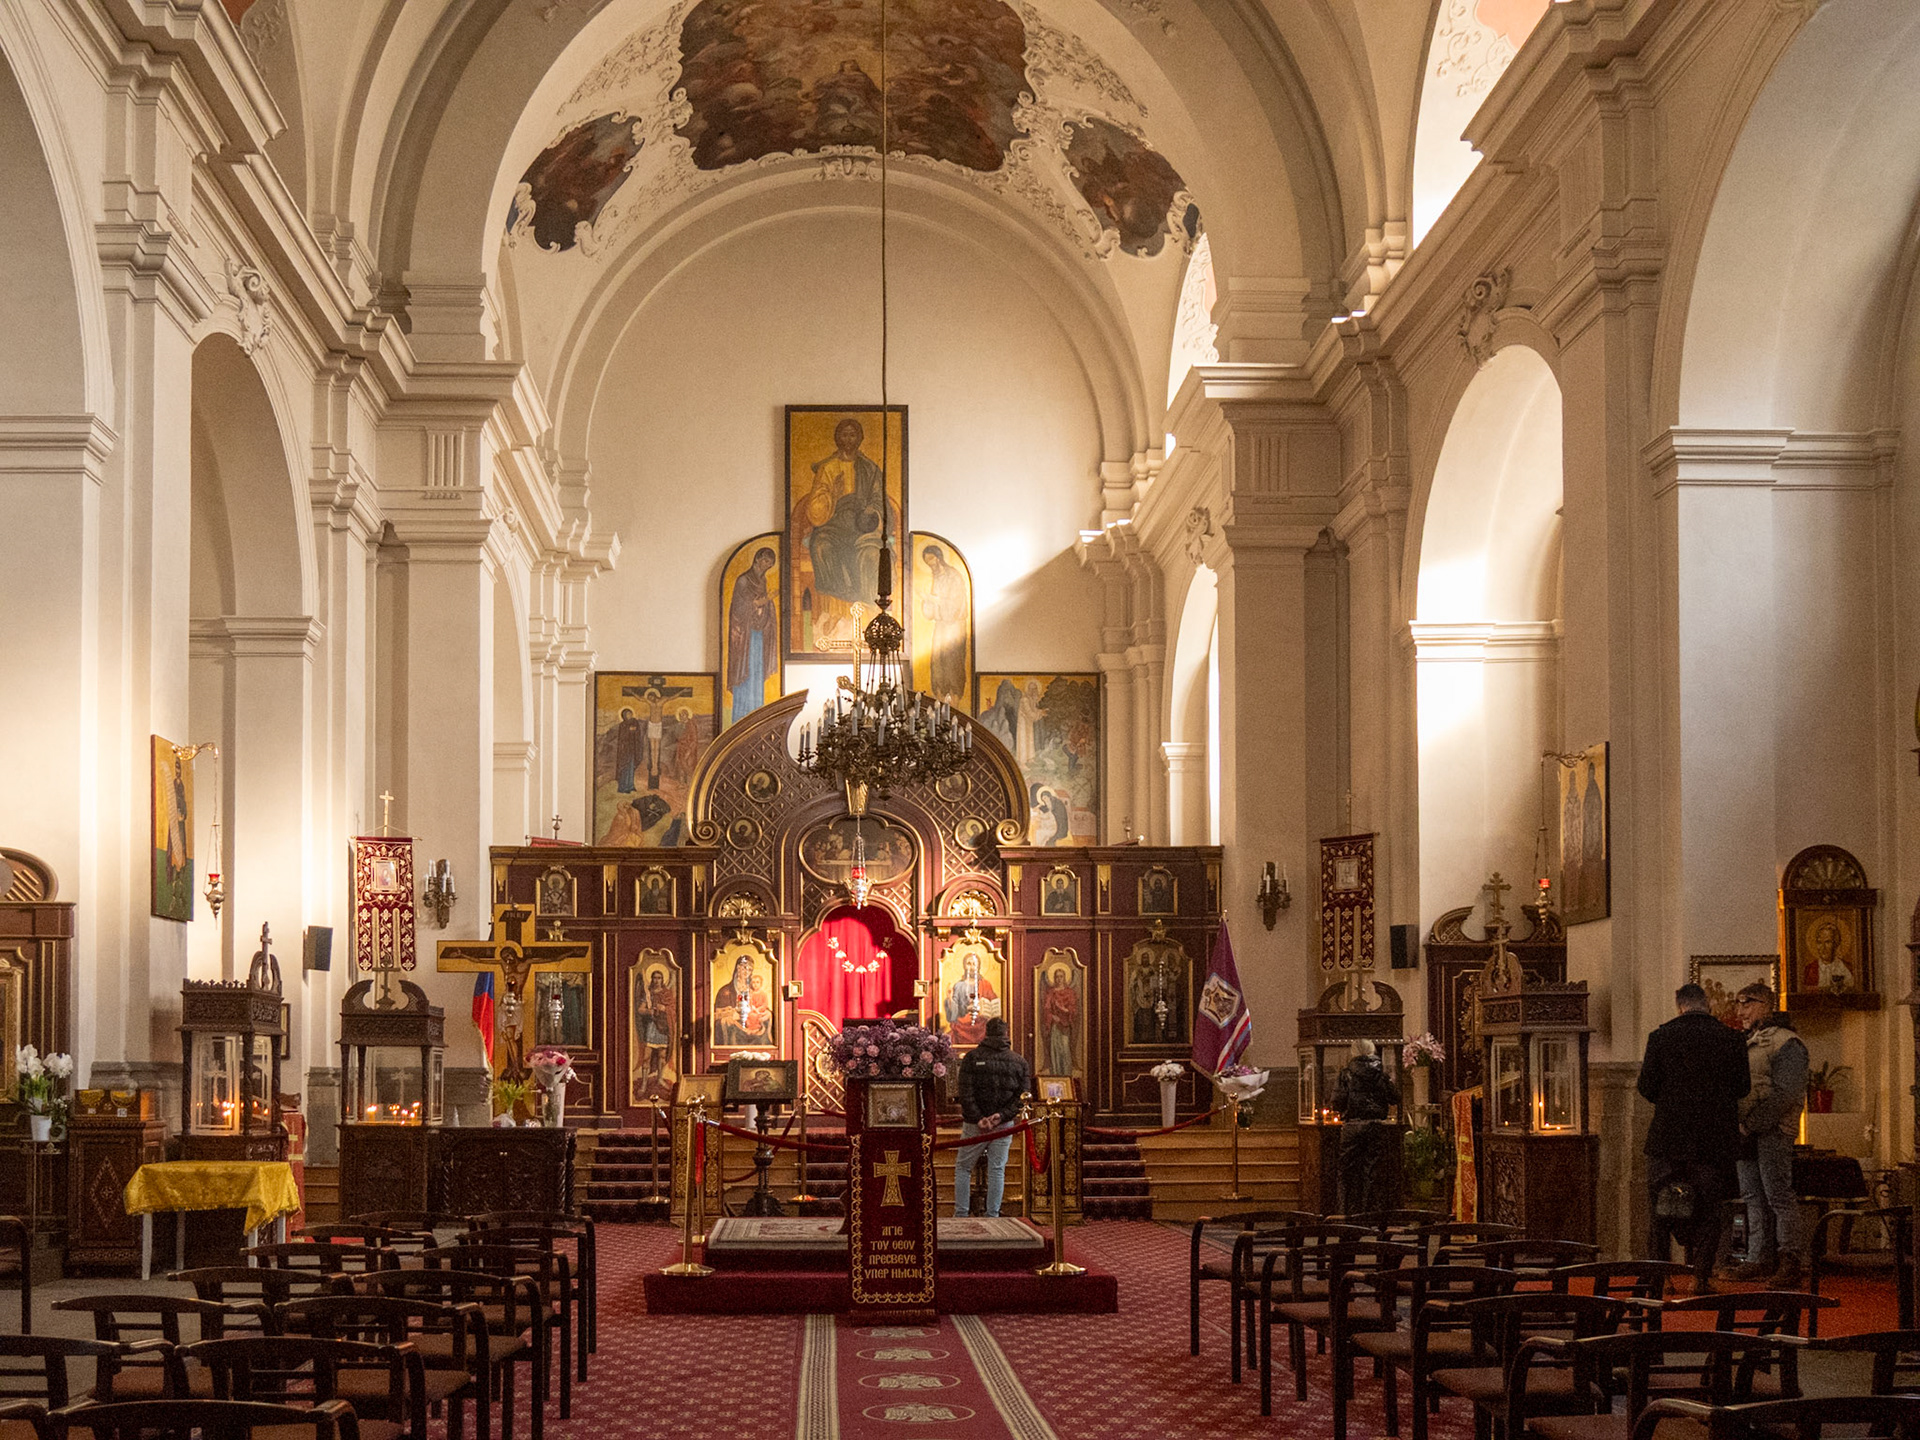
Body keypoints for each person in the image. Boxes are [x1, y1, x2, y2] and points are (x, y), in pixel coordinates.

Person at [1636, 981, 1749, 1292]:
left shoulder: (1660, 1037)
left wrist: (1673, 1099)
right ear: (1707, 1004)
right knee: (1711, 1212)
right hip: (1713, 1141)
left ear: (1679, 1006)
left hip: (1667, 1139)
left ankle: (1658, 1277)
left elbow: (1646, 1087)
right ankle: (1700, 1279)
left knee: (1659, 1212)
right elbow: (1743, 1088)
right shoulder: (1731, 1038)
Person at [1728, 982, 1811, 1286]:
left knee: (1778, 1194)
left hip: (1773, 1129)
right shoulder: (1747, 1040)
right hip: (1746, 1130)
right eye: (1738, 1004)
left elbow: (1786, 1093)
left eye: (1747, 1003)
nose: (1741, 1011)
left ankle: (1790, 1260)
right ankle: (1756, 1258)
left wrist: (1752, 1123)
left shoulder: (1788, 1044)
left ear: (1766, 1004)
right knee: (1752, 1195)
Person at [953, 1016, 1031, 1218]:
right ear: (1006, 1033)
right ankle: (992, 1215)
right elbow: (1022, 1097)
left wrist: (979, 1118)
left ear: (985, 1033)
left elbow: (965, 1092)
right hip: (1004, 1124)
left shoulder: (971, 1058)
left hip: (974, 1124)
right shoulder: (1019, 1062)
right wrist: (1000, 1116)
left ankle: (961, 1214)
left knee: (963, 1168)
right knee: (997, 1169)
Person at [1330, 1039, 1400, 1216]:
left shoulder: (1346, 1074)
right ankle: (1371, 1215)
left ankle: (1345, 1214)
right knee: (1372, 1172)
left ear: (1353, 1052)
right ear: (1372, 1051)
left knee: (1346, 1172)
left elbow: (1337, 1102)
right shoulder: (1381, 1074)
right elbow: (1395, 1097)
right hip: (1375, 1126)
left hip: (1352, 1126)